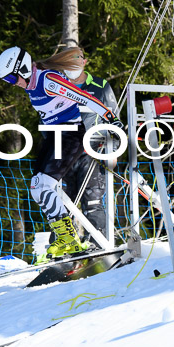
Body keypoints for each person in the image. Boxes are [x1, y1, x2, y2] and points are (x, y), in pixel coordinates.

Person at [0, 47, 124, 258]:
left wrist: (111, 118)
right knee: (37, 187)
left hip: (71, 135)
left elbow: (84, 97)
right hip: (55, 136)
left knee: (46, 186)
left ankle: (69, 239)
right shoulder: (32, 83)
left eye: (12, 78)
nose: (13, 83)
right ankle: (64, 237)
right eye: (8, 81)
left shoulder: (49, 80)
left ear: (24, 68)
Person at [59, 47, 117, 243]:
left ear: (84, 63)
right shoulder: (58, 87)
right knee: (63, 204)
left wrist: (113, 152)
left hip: (92, 153)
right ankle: (64, 244)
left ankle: (100, 243)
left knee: (92, 201)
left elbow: (114, 122)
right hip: (64, 154)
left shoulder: (100, 86)